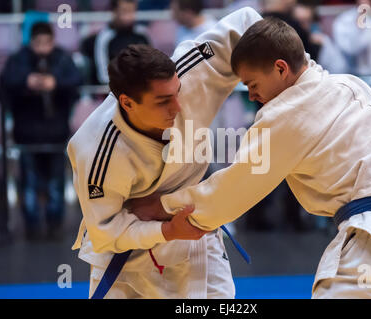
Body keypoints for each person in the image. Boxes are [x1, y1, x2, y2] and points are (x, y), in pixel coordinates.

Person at [134, 18, 371, 298]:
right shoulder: (351, 84)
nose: (252, 96)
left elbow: (230, 192)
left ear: (281, 68)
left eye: (253, 85)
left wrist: (161, 206)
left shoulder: (284, 115)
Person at [67, 7, 262, 299]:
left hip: (195, 229)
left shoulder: (191, 69)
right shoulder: (94, 149)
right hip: (127, 253)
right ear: (127, 102)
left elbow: (247, 22)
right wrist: (168, 230)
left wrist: (292, 79)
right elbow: (105, 230)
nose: (178, 107)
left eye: (177, 92)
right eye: (163, 101)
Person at [0, 22, 82, 241]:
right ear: (31, 42)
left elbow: (76, 81)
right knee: (29, 184)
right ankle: (32, 226)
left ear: (52, 41)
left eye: (46, 43)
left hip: (56, 134)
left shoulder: (63, 59)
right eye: (38, 43)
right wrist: (27, 81)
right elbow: (5, 82)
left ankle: (55, 225)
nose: (42, 48)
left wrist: (55, 83)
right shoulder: (19, 60)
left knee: (56, 183)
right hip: (27, 134)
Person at [80, 0, 151, 84]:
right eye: (125, 11)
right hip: (113, 89)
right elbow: (103, 75)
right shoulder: (104, 38)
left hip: (140, 87)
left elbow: (150, 65)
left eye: (132, 11)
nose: (129, 17)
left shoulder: (142, 34)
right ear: (114, 12)